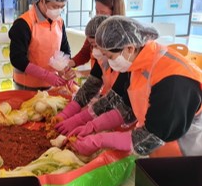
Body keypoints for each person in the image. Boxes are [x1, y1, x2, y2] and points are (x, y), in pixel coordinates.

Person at [68, 16, 202, 157]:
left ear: (130, 48)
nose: (107, 61)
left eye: (110, 57)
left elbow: (151, 137)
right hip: (159, 146)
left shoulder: (172, 81)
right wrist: (92, 126)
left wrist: (99, 140)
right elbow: (127, 108)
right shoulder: (136, 63)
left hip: (186, 152)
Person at [8, 0, 73, 91]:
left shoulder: (59, 22)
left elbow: (64, 50)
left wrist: (65, 69)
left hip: (51, 84)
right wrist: (46, 75)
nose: (59, 11)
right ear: (42, 0)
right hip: (26, 86)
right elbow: (17, 59)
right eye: (55, 6)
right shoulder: (24, 23)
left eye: (62, 7)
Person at [68, 0, 125, 68]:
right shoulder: (95, 29)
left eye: (103, 12)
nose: (98, 15)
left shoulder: (122, 36)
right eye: (96, 11)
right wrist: (68, 64)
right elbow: (85, 53)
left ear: (115, 12)